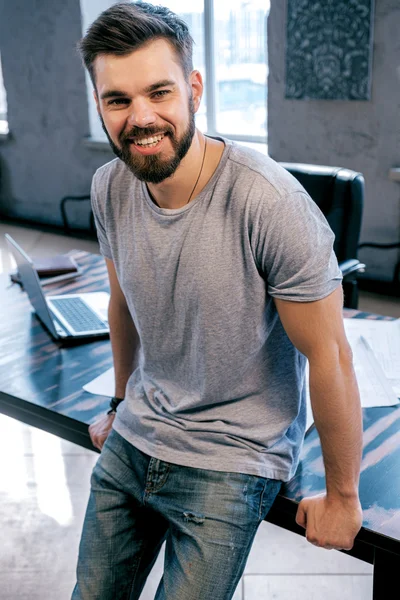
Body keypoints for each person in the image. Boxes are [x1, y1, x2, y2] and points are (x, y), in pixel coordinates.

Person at [72, 2, 363, 599]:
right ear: (100, 105)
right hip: (140, 430)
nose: (141, 116)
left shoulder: (268, 201)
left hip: (234, 452)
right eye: (118, 100)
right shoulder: (110, 186)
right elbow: (123, 301)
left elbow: (330, 354)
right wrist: (121, 399)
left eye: (159, 92)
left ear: (194, 88)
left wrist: (342, 497)